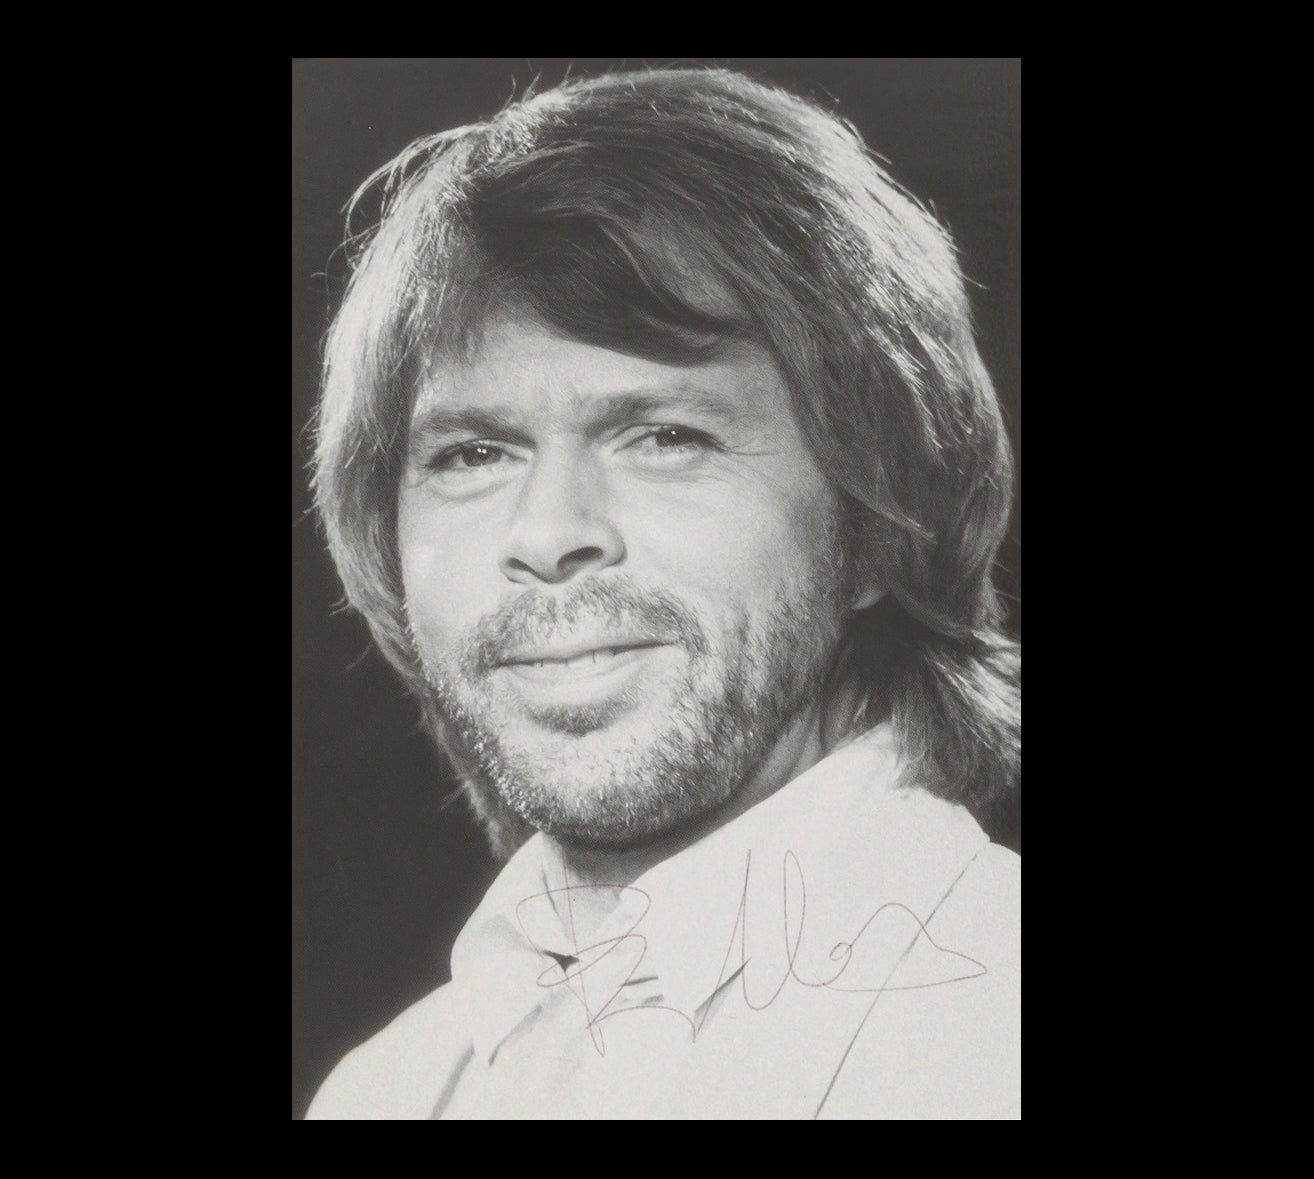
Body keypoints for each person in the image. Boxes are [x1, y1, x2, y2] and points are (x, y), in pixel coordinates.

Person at [303, 64, 1020, 1120]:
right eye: (472, 455)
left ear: (881, 523)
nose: (549, 535)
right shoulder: (387, 1091)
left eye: (666, 437)